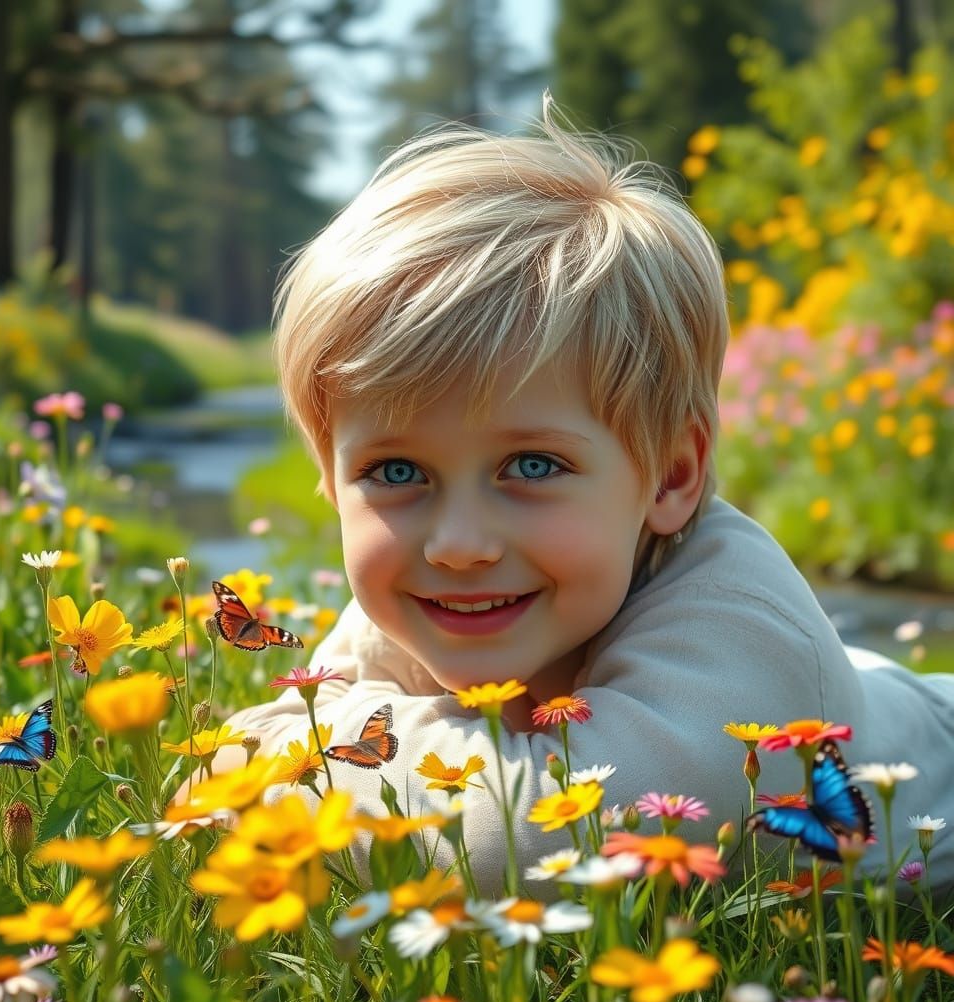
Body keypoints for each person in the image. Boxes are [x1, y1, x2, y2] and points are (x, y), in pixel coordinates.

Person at [202, 95, 954, 894]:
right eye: (396, 473)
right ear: (330, 479)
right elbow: (244, 777)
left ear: (671, 476)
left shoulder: (744, 634)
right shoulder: (422, 595)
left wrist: (286, 749)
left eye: (531, 467)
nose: (458, 543)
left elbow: (515, 842)